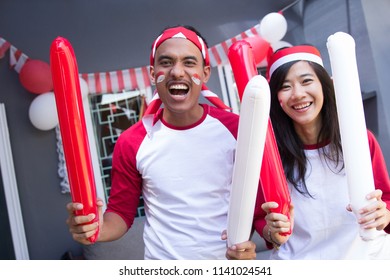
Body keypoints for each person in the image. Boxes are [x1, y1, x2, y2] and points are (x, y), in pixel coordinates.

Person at [66, 25, 258, 260]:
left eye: (189, 62)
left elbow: (256, 203)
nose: (177, 72)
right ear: (152, 72)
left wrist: (264, 235)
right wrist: (95, 229)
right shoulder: (132, 142)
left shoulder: (236, 129)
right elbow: (120, 213)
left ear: (205, 72)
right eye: (166, 62)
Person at [253, 45, 390, 259]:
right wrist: (270, 231)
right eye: (285, 86)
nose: (298, 94)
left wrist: (384, 213)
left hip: (369, 259)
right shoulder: (269, 155)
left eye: (306, 81)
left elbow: (386, 198)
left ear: (324, 86)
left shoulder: (360, 140)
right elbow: (261, 217)